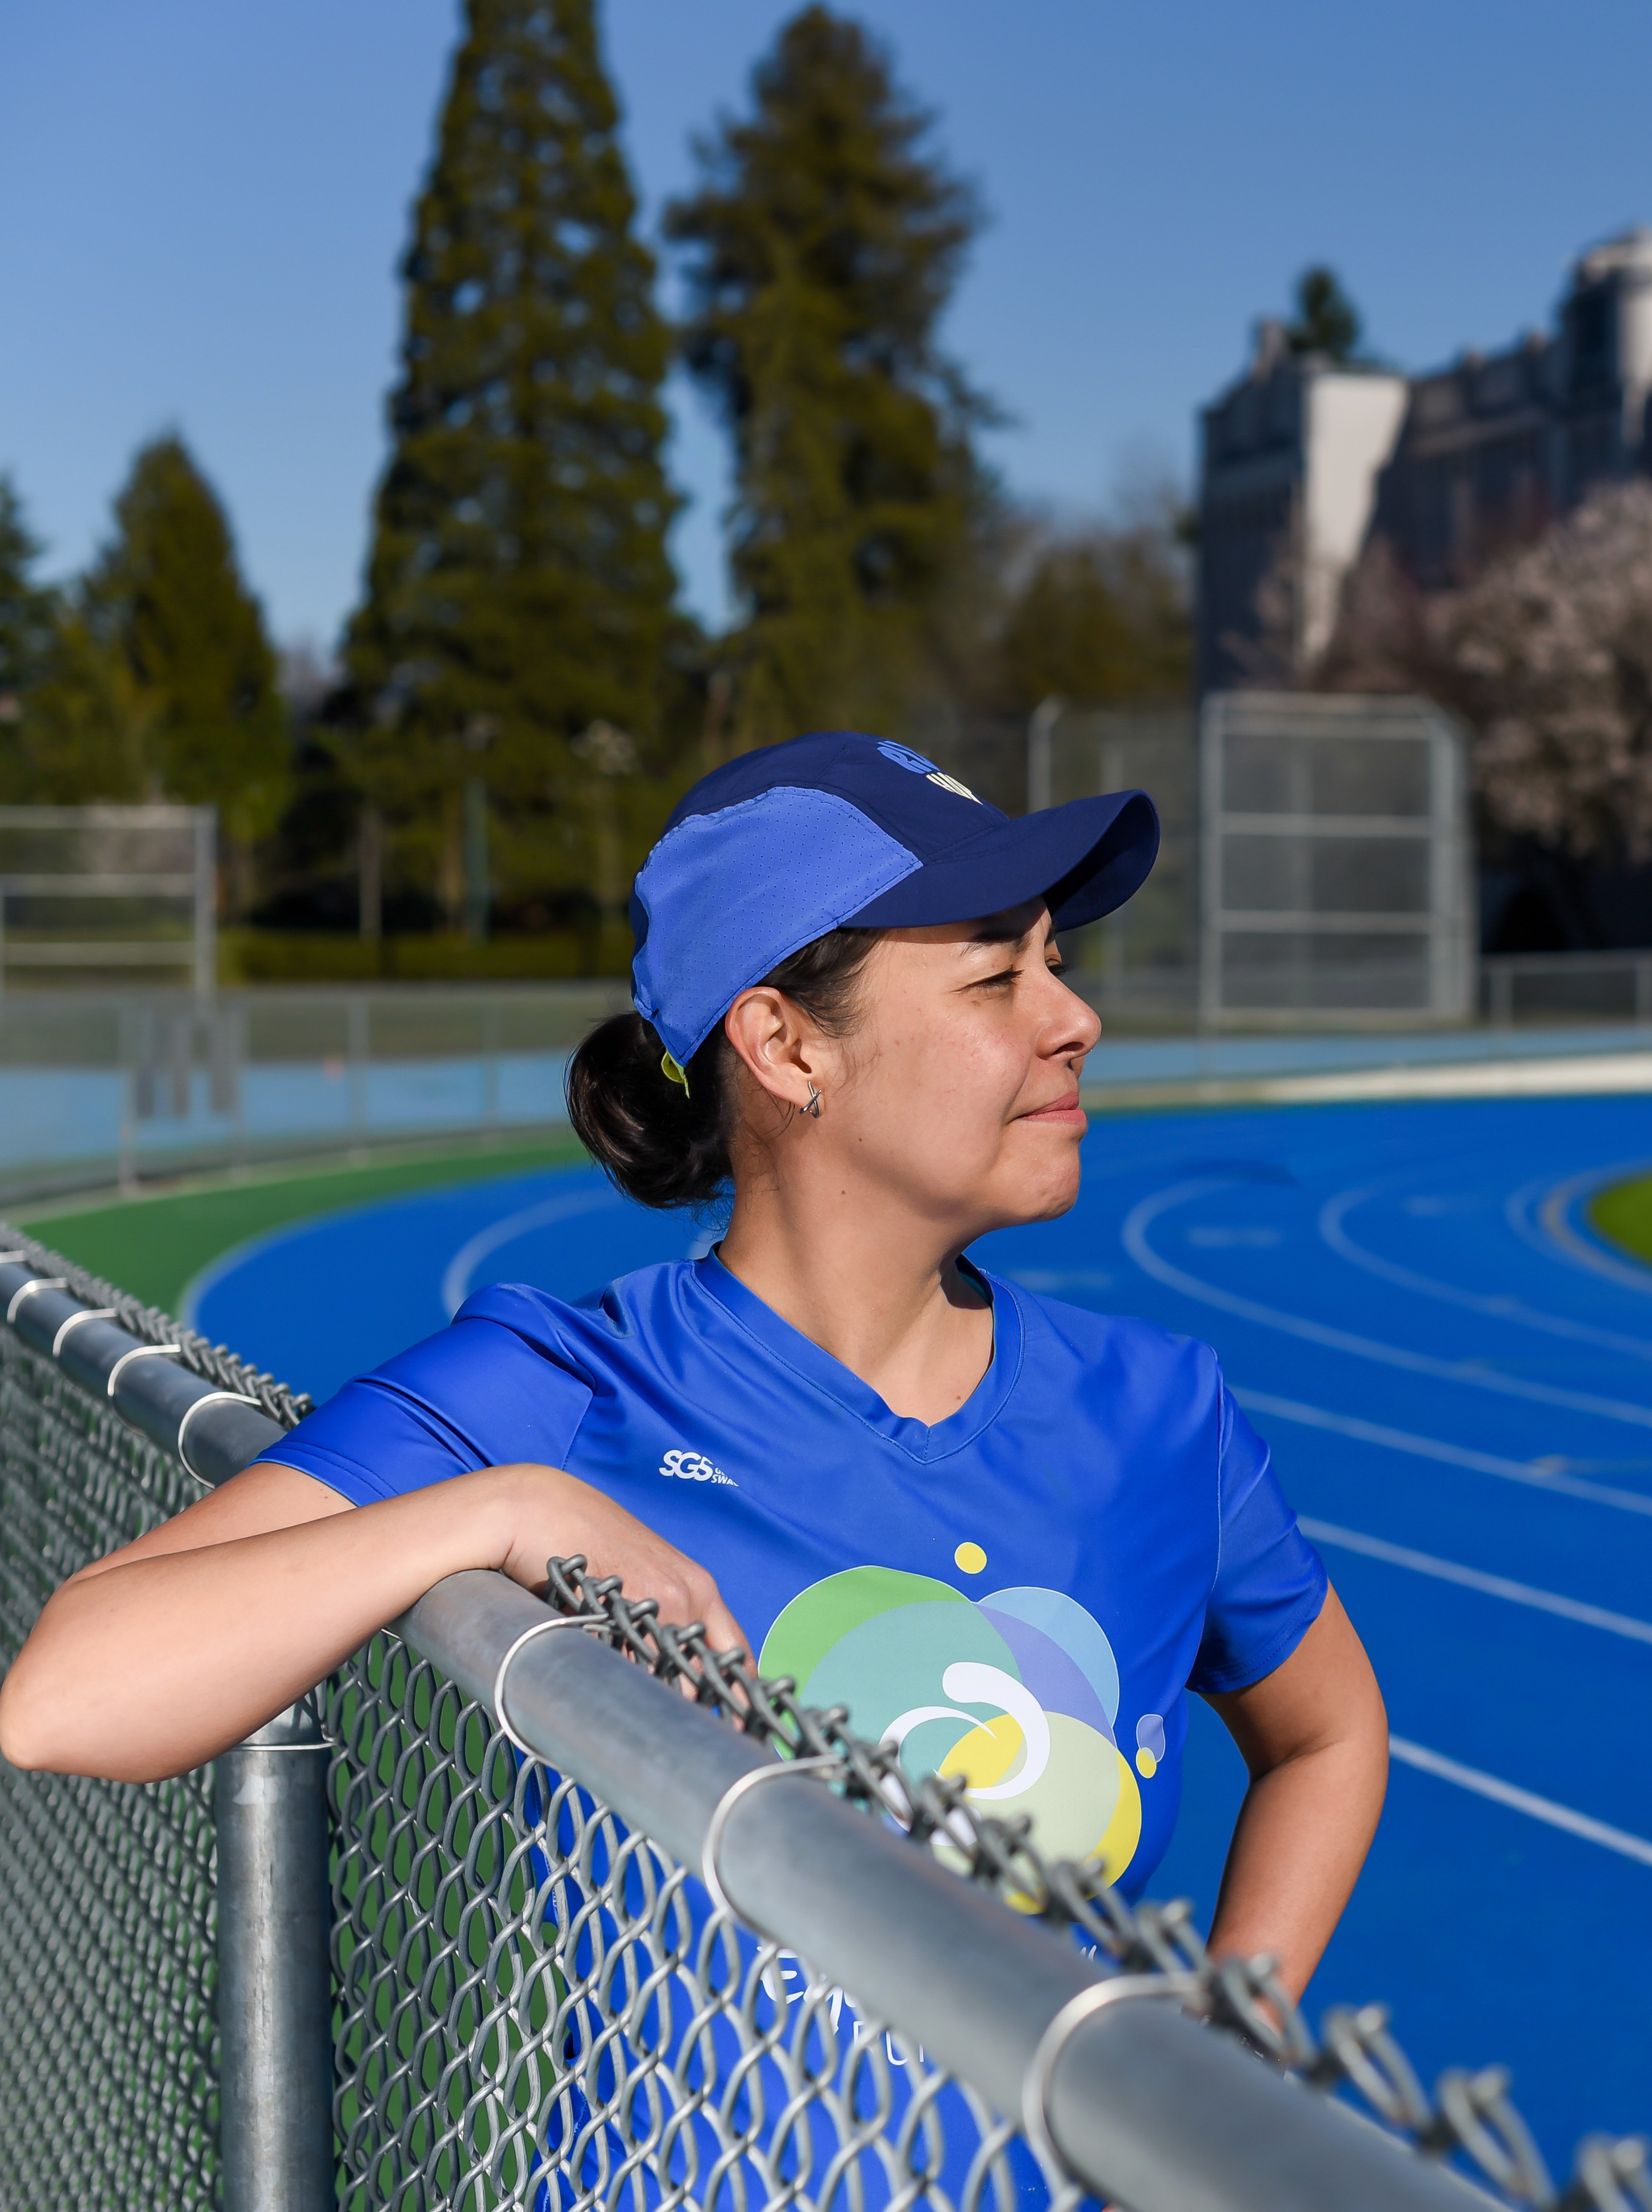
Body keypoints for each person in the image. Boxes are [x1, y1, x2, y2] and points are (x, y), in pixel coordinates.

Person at [0, 732, 1386, 1995]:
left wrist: (1222, 2049)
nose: (1069, 1018)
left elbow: (1329, 1737)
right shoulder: (564, 1386)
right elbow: (67, 1693)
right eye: (994, 973)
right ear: (783, 1042)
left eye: (1057, 963)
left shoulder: (1158, 1413)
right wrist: (496, 1510)